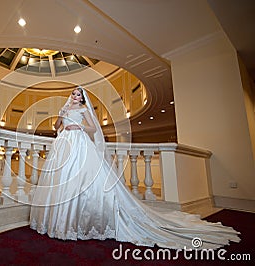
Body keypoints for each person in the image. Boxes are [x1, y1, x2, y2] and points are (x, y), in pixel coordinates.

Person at [29, 86, 240, 250]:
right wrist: (61, 119)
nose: (74, 96)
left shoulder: (84, 110)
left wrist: (78, 126)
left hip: (80, 142)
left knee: (85, 179)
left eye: (77, 94)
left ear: (82, 98)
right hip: (64, 144)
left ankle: (85, 221)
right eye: (73, 94)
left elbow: (94, 128)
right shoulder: (64, 108)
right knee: (62, 179)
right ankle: (61, 221)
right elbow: (56, 127)